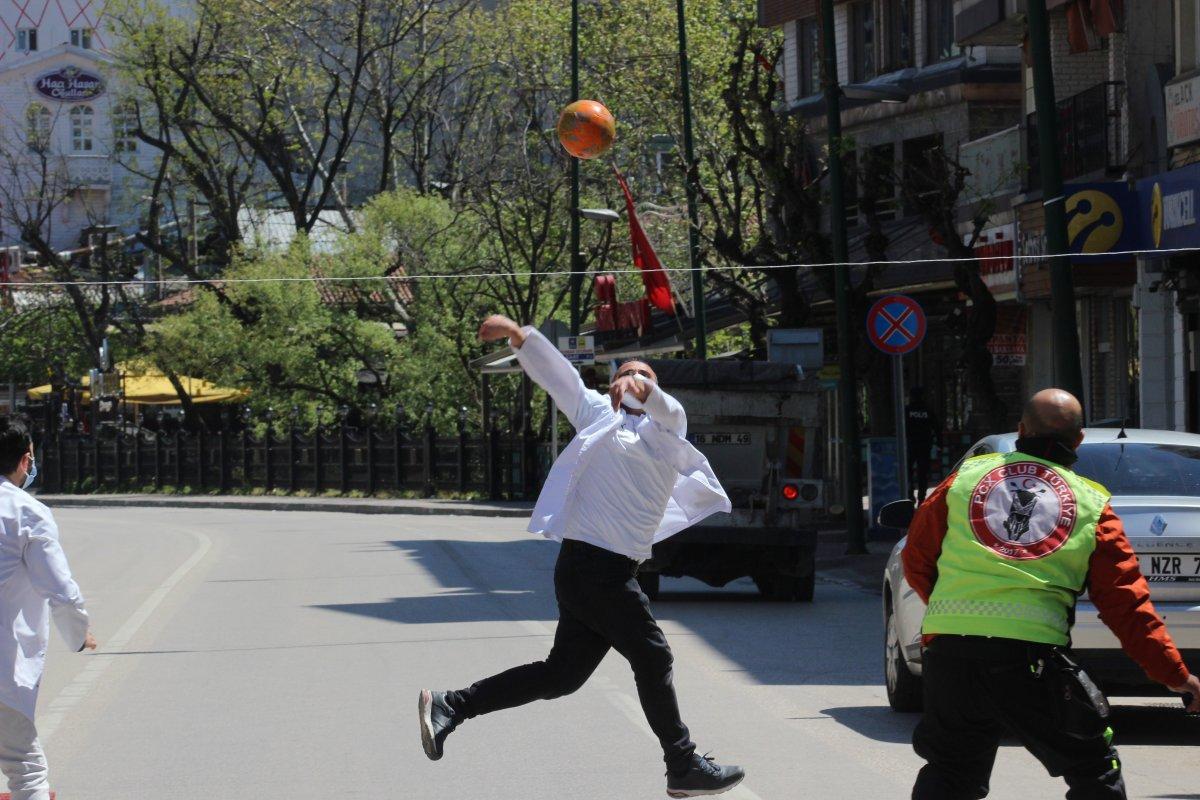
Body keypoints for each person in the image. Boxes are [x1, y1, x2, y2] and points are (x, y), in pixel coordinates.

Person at [419, 315, 744, 798]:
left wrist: (644, 386)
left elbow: (670, 409)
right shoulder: (597, 417)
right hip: (593, 570)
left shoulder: (667, 431)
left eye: (643, 376)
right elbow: (560, 377)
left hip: (601, 571)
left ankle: (451, 705)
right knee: (653, 657)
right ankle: (682, 763)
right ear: (611, 387)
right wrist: (519, 334)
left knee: (562, 676)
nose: (632, 381)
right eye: (624, 376)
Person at [903, 388, 1200, 800]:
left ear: (1021, 430)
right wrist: (1176, 676)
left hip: (951, 657)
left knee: (951, 771)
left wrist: (952, 608)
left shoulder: (963, 481)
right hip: (1030, 661)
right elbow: (1126, 606)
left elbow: (916, 558)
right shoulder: (1092, 505)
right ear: (1077, 441)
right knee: (1093, 768)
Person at [0, 416, 96, 800]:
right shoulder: (27, 513)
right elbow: (61, 590)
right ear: (26, 460)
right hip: (3, 671)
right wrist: (78, 636)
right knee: (27, 770)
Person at [905, 385, 940, 504]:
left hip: (910, 445)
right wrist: (939, 444)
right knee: (922, 473)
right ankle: (921, 498)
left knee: (907, 471)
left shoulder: (907, 410)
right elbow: (937, 428)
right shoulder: (928, 410)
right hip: (924, 446)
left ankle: (910, 494)